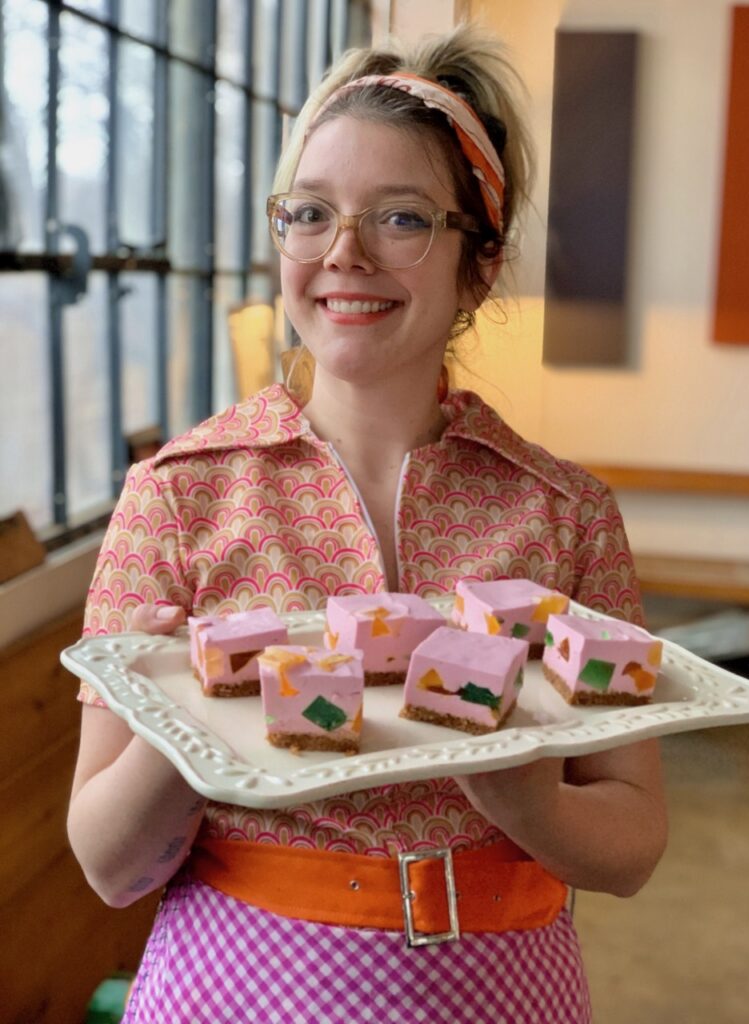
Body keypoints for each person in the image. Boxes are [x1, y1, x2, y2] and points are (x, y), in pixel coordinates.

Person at [67, 23, 667, 1024]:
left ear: (482, 263)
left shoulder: (567, 515)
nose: (342, 253)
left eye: (400, 218)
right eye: (310, 212)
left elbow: (634, 845)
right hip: (235, 990)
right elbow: (108, 865)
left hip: (503, 992)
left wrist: (530, 803)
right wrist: (186, 721)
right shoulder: (177, 497)